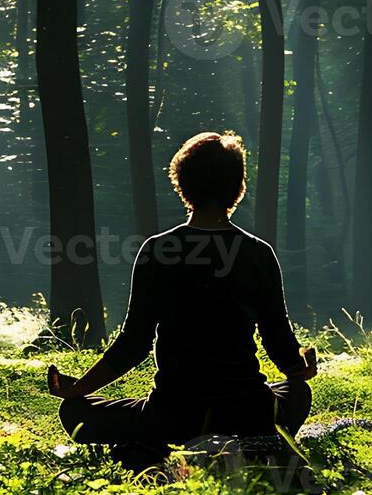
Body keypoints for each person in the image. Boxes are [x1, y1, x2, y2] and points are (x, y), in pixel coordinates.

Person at [46, 131, 318, 468]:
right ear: (237, 186)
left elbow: (133, 344)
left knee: (74, 411)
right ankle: (250, 441)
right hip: (247, 412)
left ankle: (160, 446)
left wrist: (78, 388)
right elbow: (280, 344)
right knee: (297, 394)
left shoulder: (158, 251)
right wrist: (302, 365)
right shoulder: (257, 254)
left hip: (172, 415)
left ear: (183, 183)